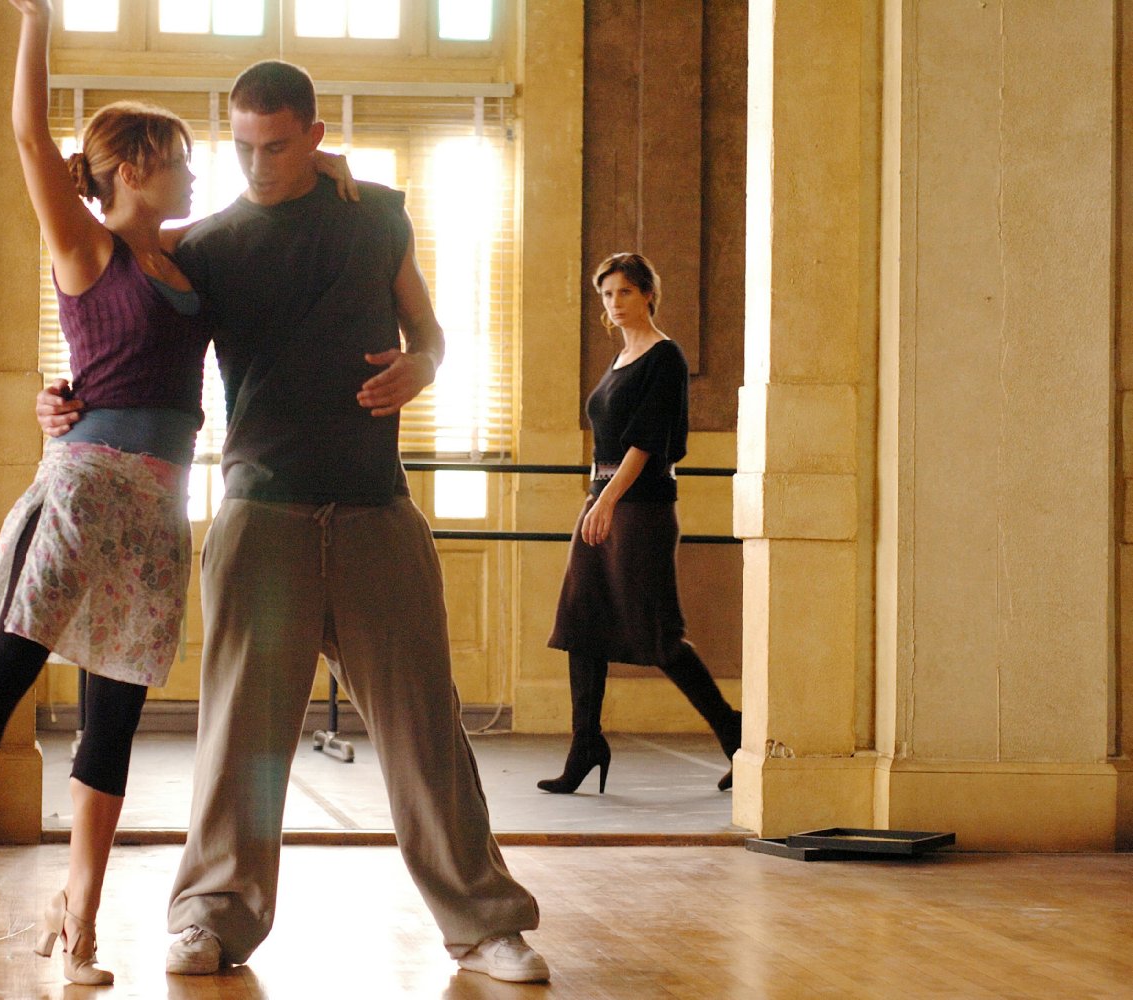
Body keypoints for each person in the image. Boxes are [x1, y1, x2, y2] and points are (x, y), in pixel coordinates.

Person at [37, 61, 550, 985]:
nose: (256, 165)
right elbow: (113, 296)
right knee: (242, 737)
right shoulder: (206, 245)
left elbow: (431, 332)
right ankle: (210, 919)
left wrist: (424, 366)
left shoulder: (376, 214)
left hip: (375, 508)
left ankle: (485, 925)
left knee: (425, 731)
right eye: (241, 147)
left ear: (314, 137)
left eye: (276, 147)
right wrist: (60, 398)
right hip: (260, 511)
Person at [0, 1, 213, 985]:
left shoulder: (185, 260)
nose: (192, 172)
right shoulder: (87, 248)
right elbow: (28, 135)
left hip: (157, 511)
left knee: (113, 717)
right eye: (179, 158)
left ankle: (81, 920)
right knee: (9, 669)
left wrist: (340, 171)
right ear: (131, 167)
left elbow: (263, 217)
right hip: (84, 491)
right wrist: (37, 24)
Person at [540, 252, 741, 796]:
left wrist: (607, 500)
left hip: (640, 508)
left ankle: (735, 733)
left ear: (648, 293)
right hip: (603, 502)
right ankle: (586, 743)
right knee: (581, 623)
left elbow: (648, 441)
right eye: (607, 294)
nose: (615, 303)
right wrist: (596, 498)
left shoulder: (664, 357)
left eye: (625, 291)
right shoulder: (621, 358)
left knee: (658, 634)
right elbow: (607, 440)